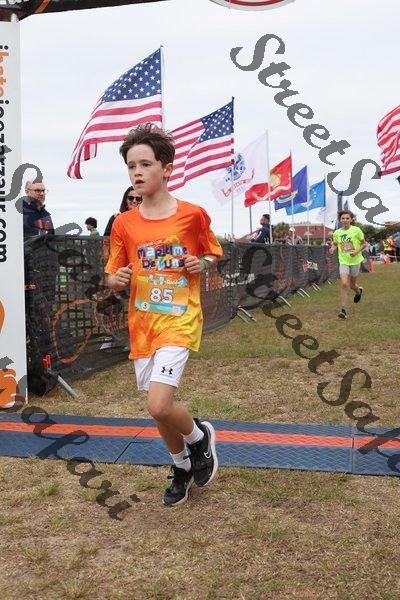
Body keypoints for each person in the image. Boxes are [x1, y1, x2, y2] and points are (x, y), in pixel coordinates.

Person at [105, 124, 222, 507]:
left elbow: (212, 253)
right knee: (160, 411)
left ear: (167, 168)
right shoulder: (124, 223)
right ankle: (181, 466)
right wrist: (116, 280)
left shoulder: (192, 215)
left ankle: (199, 438)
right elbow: (112, 274)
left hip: (179, 318)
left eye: (145, 164)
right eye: (131, 166)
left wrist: (201, 263)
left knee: (158, 404)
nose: (136, 173)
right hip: (143, 325)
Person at [329, 210, 368, 319]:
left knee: (352, 285)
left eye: (347, 218)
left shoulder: (356, 230)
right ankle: (343, 310)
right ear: (340, 220)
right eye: (343, 218)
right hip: (343, 261)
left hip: (355, 260)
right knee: (344, 283)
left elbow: (364, 244)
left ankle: (358, 291)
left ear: (351, 219)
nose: (345, 220)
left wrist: (356, 251)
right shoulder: (337, 233)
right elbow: (335, 243)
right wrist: (332, 248)